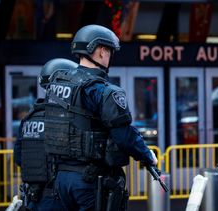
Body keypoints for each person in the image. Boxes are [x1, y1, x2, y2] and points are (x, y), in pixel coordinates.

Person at [43, 24, 158, 211]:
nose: (110, 56)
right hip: (90, 181)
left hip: (61, 180)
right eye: (110, 51)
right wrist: (147, 155)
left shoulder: (57, 85)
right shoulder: (103, 90)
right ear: (102, 51)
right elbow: (124, 135)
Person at [14, 58, 78, 211]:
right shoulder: (64, 118)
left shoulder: (30, 117)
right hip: (59, 198)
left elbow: (19, 157)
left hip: (34, 198)